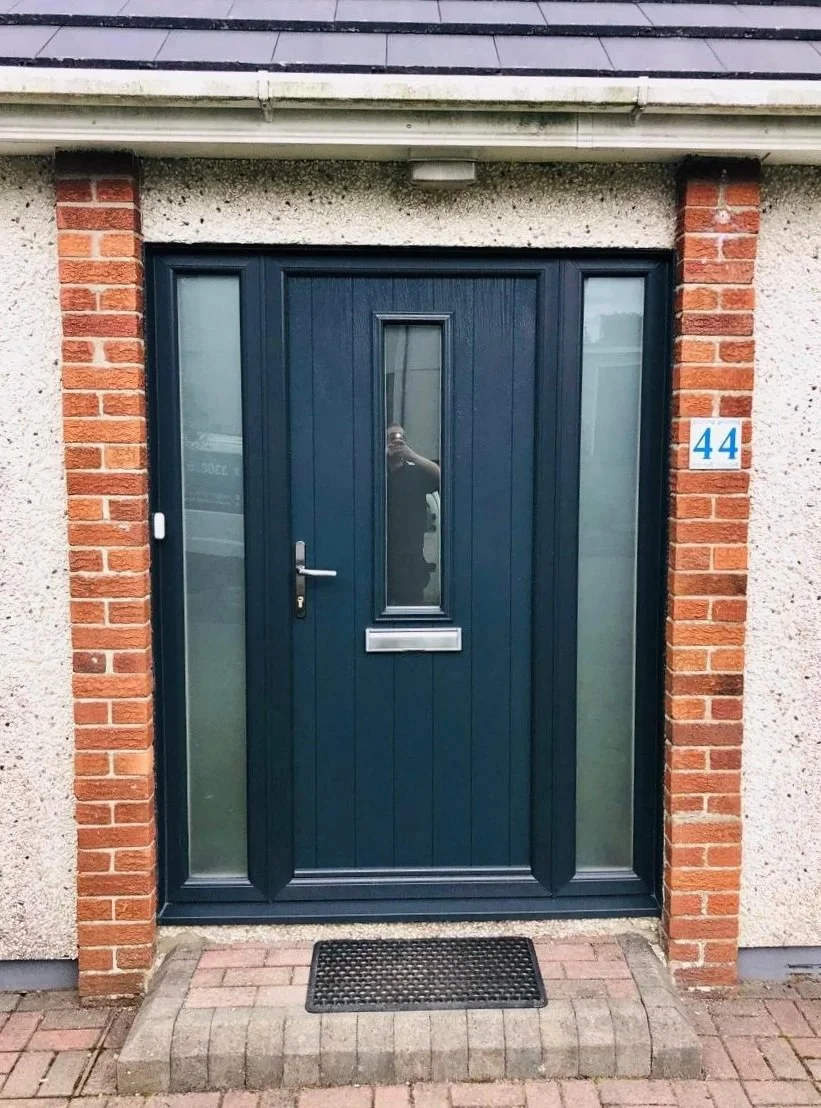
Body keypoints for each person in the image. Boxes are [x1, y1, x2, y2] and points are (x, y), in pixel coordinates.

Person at [386, 422, 440, 607]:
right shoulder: (376, 473)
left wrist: (412, 455)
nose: (396, 442)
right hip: (380, 557)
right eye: (391, 438)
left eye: (400, 438)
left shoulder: (415, 474)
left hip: (410, 560)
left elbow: (441, 476)